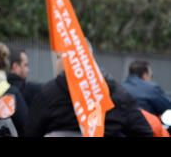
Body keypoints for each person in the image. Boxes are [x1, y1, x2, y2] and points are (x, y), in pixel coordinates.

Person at [25, 53, 153, 137]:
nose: (56, 61)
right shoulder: (118, 94)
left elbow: (30, 131)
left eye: (58, 56)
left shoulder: (47, 93)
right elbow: (144, 132)